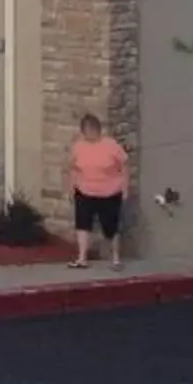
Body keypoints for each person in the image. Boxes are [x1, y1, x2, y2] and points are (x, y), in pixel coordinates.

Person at [67, 113, 129, 270]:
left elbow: (124, 165)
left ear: (98, 130)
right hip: (84, 190)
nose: (90, 134)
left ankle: (115, 258)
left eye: (92, 130)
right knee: (82, 224)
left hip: (109, 192)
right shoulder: (78, 146)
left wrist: (125, 188)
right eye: (86, 131)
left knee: (111, 227)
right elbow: (72, 168)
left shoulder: (111, 145)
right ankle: (82, 258)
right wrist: (70, 188)